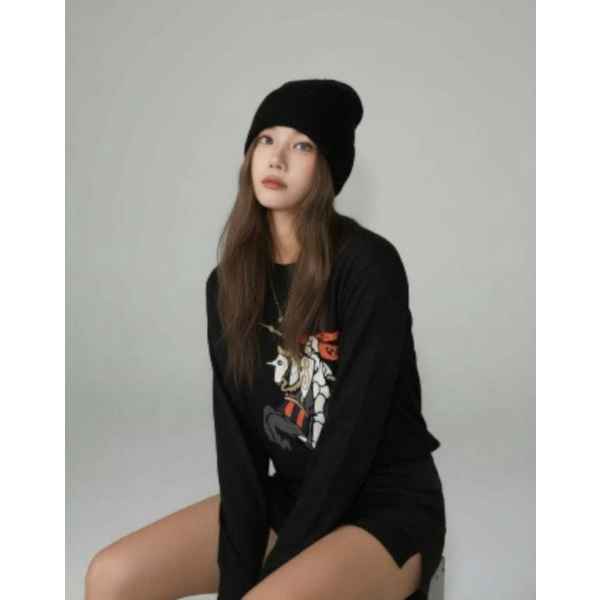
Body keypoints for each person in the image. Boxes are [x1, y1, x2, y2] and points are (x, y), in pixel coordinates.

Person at [85, 79, 446, 600]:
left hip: (386, 507)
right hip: (295, 497)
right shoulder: (228, 284)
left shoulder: (368, 267)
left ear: (327, 168)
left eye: (302, 145)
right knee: (109, 577)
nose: (277, 158)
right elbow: (239, 453)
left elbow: (352, 439)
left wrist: (274, 571)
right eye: (266, 140)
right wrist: (237, 580)